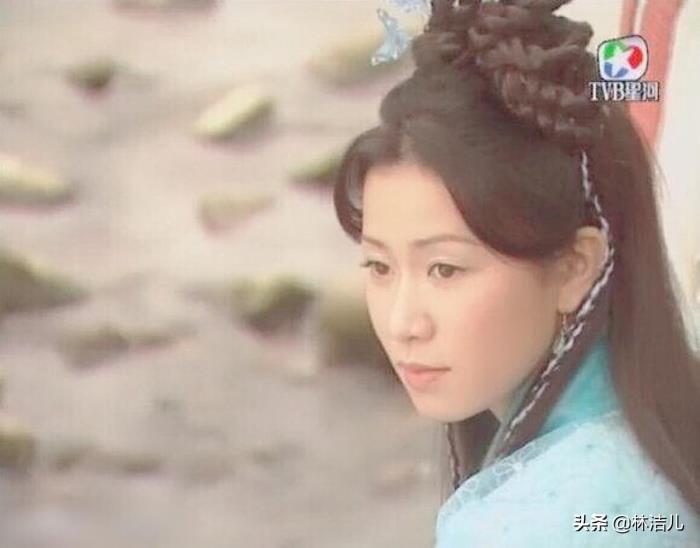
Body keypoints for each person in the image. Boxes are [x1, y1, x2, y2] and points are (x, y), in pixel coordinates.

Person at [332, 0, 700, 545]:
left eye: (444, 269)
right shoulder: (665, 418)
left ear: (575, 267)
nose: (403, 323)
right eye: (379, 266)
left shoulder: (541, 524)